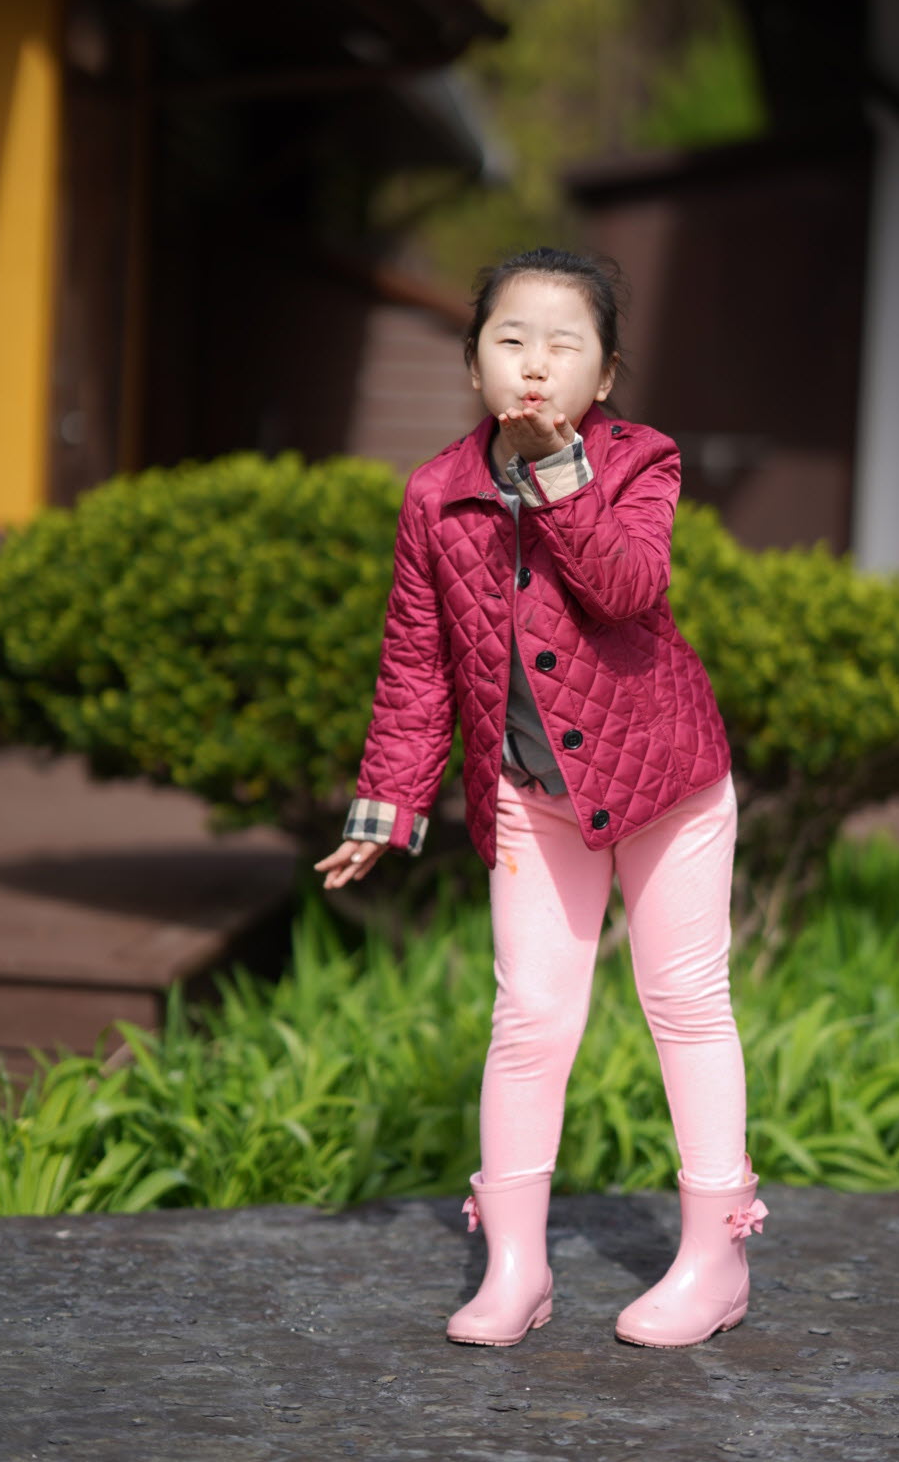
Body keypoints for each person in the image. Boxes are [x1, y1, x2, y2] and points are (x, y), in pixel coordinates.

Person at [315, 246, 768, 1350]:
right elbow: (416, 663)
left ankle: (716, 1261)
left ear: (603, 376)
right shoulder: (436, 494)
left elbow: (628, 586)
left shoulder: (641, 460)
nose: (534, 364)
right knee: (529, 1017)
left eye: (564, 346)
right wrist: (386, 805)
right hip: (532, 796)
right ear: (472, 362)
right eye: (510, 339)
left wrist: (563, 474)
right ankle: (516, 1265)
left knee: (686, 1002)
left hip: (667, 784)